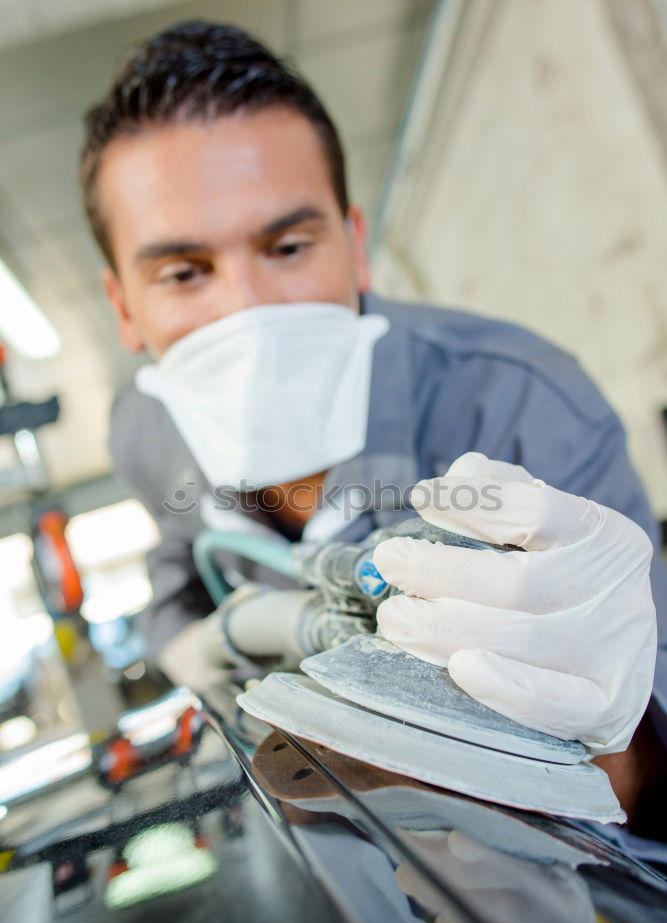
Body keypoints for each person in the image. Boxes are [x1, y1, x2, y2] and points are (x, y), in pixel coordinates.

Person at [79, 21, 665, 828]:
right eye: (184, 272)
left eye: (286, 246)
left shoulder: (524, 405)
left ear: (354, 247)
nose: (248, 313)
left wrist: (624, 745)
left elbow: (639, 719)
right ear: (123, 307)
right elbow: (181, 563)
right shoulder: (142, 429)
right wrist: (185, 644)